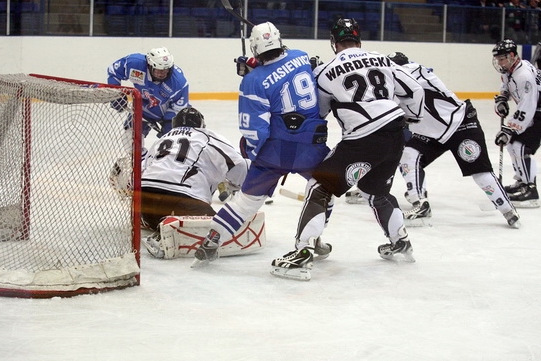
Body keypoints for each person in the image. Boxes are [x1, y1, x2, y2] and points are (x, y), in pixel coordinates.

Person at [270, 18, 425, 280]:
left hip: (363, 140)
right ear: (359, 40)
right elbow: (415, 89)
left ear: (333, 43)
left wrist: (312, 76)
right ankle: (401, 242)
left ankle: (303, 252)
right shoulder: (382, 59)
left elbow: (318, 112)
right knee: (376, 191)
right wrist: (412, 117)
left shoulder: (325, 71)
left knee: (320, 188)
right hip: (395, 134)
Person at [191, 21, 331, 267]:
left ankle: (213, 239)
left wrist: (254, 154)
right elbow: (283, 71)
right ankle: (313, 238)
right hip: (311, 145)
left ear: (255, 49)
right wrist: (256, 68)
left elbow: (255, 130)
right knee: (325, 189)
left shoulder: (253, 81)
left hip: (275, 151)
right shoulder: (301, 57)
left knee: (246, 201)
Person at [384, 51, 520, 228]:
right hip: (433, 133)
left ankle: (509, 210)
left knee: (480, 173)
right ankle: (420, 204)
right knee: (408, 154)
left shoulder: (411, 71)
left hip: (461, 124)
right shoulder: (404, 77)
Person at [133, 107, 249, 258]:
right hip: (182, 198)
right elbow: (239, 165)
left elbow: (141, 169)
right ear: (201, 125)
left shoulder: (161, 139)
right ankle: (166, 234)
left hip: (144, 199)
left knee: (157, 214)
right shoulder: (206, 137)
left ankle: (157, 223)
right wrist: (239, 185)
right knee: (219, 229)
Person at [106, 46, 190, 155]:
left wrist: (169, 123)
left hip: (166, 112)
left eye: (165, 70)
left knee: (170, 147)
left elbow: (179, 107)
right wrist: (116, 94)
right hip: (142, 109)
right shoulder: (134, 64)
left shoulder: (178, 82)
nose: (162, 73)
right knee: (129, 140)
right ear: (149, 65)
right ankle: (141, 163)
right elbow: (113, 71)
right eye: (158, 70)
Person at [493, 39, 541, 208]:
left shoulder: (524, 76)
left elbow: (528, 105)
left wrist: (510, 128)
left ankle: (531, 190)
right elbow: (506, 83)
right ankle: (522, 182)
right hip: (533, 112)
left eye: (502, 58)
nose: (499, 62)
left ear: (512, 56)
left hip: (537, 113)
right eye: (497, 59)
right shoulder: (511, 69)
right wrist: (502, 98)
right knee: (512, 144)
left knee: (520, 146)